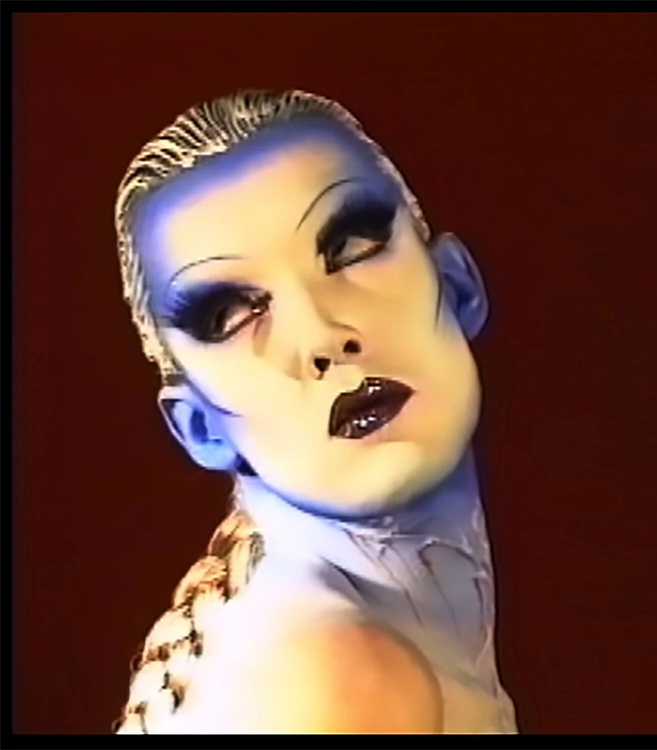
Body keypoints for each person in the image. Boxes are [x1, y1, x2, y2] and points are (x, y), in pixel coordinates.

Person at [111, 90, 518, 734]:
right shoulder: (340, 677)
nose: (324, 336)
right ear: (200, 427)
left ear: (458, 284)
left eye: (352, 248)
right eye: (233, 316)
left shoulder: (336, 645)